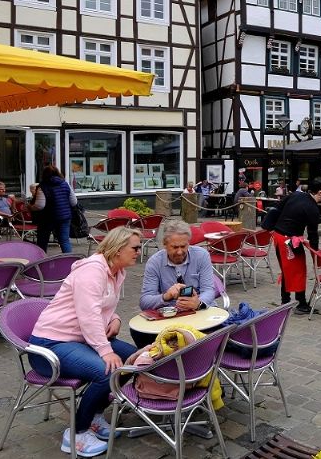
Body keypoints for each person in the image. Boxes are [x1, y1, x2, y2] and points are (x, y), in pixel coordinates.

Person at [27, 227, 141, 457]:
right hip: (50, 344)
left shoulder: (117, 271)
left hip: (79, 339)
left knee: (134, 359)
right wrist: (105, 350)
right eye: (135, 247)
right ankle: (76, 433)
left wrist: (116, 319)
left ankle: (95, 415)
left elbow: (104, 307)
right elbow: (88, 315)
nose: (139, 251)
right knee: (108, 370)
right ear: (118, 249)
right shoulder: (92, 271)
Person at [137, 221, 218, 347]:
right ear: (165, 244)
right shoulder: (154, 263)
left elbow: (209, 290)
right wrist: (166, 296)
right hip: (171, 319)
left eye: (183, 246)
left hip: (201, 315)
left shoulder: (201, 256)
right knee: (139, 333)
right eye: (175, 247)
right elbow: (144, 302)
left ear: (188, 243)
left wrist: (199, 303)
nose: (180, 252)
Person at [270, 177, 321, 314]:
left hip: (278, 236)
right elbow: (313, 235)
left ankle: (288, 301)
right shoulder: (313, 208)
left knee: (289, 269)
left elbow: (277, 207)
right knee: (297, 270)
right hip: (288, 240)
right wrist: (316, 254)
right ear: (320, 192)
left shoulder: (296, 194)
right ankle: (298, 303)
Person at [31, 166, 77, 253]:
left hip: (47, 218)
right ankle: (69, 262)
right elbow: (74, 202)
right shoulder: (65, 184)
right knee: (64, 241)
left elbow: (40, 205)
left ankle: (41, 261)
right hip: (64, 217)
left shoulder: (42, 186)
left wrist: (30, 207)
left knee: (42, 242)